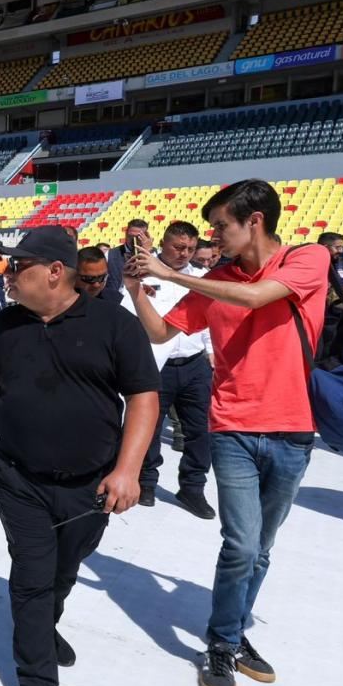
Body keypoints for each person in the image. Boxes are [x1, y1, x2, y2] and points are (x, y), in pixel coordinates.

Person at [124, 179, 329, 686]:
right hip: (232, 426)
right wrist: (135, 291)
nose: (214, 237)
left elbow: (259, 296)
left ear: (254, 222)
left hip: (292, 430)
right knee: (240, 542)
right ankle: (222, 642)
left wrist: (173, 273)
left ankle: (234, 637)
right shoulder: (216, 280)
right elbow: (159, 333)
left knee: (262, 548)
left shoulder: (305, 260)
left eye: (221, 227)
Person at [0, 225, 159, 686]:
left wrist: (128, 470)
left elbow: (145, 398)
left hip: (90, 486)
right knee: (31, 577)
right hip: (19, 478)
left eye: (20, 267)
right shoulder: (6, 324)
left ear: (55, 272)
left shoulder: (114, 325)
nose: (10, 275)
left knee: (64, 570)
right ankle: (38, 684)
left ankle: (46, 626)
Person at [120, 221, 215, 518]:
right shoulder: (141, 274)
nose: (184, 253)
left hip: (194, 364)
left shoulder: (202, 278)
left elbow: (211, 321)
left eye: (189, 248)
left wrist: (212, 353)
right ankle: (146, 481)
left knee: (200, 430)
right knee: (149, 426)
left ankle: (193, 487)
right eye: (178, 247)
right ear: (163, 243)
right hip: (155, 364)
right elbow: (127, 318)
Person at [106, 219, 151, 295]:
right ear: (126, 233)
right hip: (118, 300)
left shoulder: (155, 254)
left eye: (137, 237)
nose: (133, 240)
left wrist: (147, 252)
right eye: (130, 236)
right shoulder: (110, 254)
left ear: (146, 236)